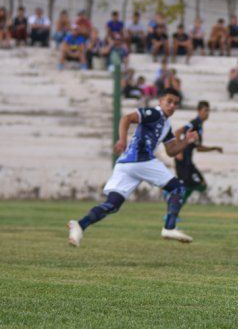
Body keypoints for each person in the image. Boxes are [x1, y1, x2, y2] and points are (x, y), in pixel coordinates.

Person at [67, 88, 198, 247]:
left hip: (125, 164)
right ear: (160, 101)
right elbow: (127, 118)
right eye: (169, 101)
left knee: (112, 205)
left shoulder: (166, 124)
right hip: (141, 159)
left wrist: (186, 142)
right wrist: (122, 140)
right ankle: (169, 227)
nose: (172, 106)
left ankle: (80, 225)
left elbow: (171, 151)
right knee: (178, 189)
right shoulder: (154, 113)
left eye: (175, 103)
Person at [174, 101, 223, 206]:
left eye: (208, 111)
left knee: (200, 185)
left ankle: (175, 207)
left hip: (188, 162)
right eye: (205, 110)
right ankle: (172, 205)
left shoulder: (199, 126)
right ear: (199, 111)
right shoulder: (195, 123)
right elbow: (178, 132)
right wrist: (178, 152)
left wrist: (214, 148)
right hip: (182, 161)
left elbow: (198, 148)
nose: (207, 113)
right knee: (187, 186)